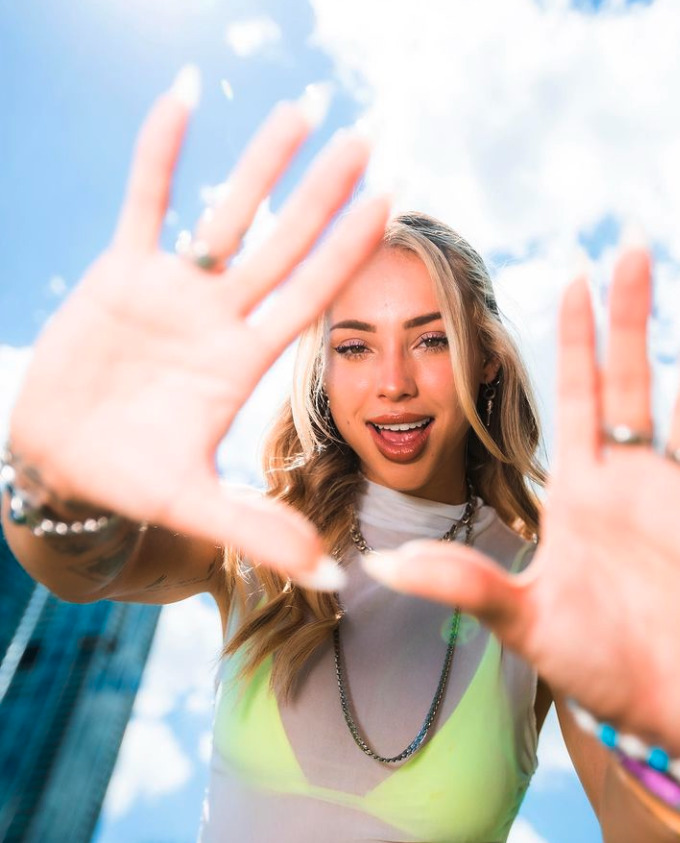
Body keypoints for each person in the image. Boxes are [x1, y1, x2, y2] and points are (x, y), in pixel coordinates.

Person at [2, 67, 679, 841]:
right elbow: (81, 565)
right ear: (323, 377)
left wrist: (660, 736)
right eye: (354, 347)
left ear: (487, 358)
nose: (392, 383)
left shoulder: (552, 579)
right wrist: (51, 481)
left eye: (430, 338)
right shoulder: (261, 536)